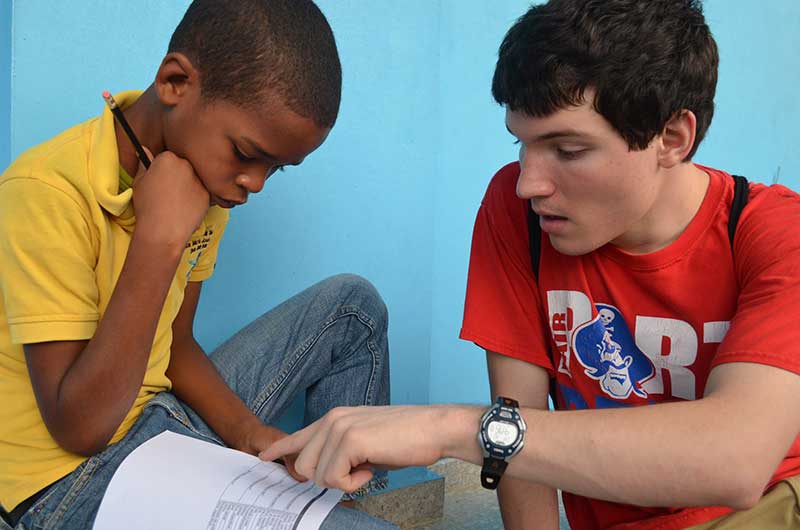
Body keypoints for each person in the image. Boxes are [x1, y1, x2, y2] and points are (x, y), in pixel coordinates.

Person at [261, 1, 800, 529]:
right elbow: (517, 420)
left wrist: (449, 427)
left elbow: (735, 461)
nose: (529, 183)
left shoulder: (776, 233)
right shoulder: (517, 212)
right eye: (522, 144)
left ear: (671, 138)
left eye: (567, 150)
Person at [0, 1, 397, 529]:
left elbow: (176, 345)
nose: (253, 183)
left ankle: (325, 507)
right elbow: (80, 428)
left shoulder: (206, 183)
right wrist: (158, 239)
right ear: (175, 82)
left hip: (160, 425)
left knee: (354, 308)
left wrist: (251, 434)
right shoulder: (45, 192)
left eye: (275, 170)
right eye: (245, 154)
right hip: (67, 480)